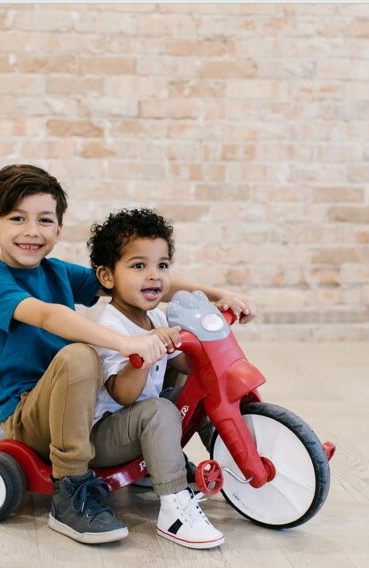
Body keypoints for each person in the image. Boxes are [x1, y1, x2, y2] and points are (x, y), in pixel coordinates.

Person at [0, 164, 256, 546]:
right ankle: (70, 489)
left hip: (86, 406)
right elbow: (47, 315)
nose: (31, 232)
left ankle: (174, 457)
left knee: (179, 349)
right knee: (81, 356)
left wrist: (216, 294)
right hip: (30, 414)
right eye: (17, 219)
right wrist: (126, 344)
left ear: (58, 229)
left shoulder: (56, 271)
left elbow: (137, 281)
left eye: (44, 220)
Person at [86, 208, 223, 549]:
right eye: (138, 266)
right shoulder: (109, 327)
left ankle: (237, 462)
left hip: (140, 421)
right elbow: (125, 394)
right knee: (160, 409)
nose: (154, 276)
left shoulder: (156, 315)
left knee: (204, 390)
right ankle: (175, 508)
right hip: (105, 437)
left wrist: (210, 346)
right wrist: (143, 355)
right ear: (107, 276)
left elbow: (187, 364)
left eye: (162, 265)